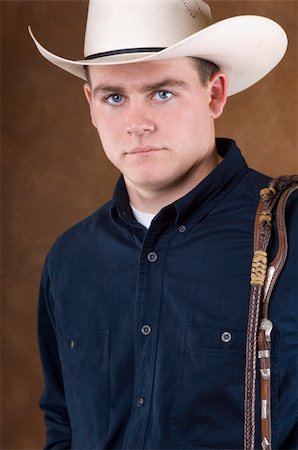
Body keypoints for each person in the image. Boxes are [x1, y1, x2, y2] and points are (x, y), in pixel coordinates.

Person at [30, 1, 297, 449]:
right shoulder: (70, 258)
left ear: (214, 94)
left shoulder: (291, 232)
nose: (136, 124)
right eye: (114, 97)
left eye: (162, 93)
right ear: (91, 105)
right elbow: (62, 421)